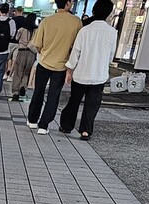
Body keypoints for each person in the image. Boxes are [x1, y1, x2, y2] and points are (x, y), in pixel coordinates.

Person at [58, 0, 117, 140]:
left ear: (94, 11)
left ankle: (67, 126)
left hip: (81, 74)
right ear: (109, 14)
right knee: (92, 104)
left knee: (74, 101)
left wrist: (69, 69)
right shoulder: (112, 32)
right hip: (99, 75)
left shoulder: (85, 30)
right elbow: (111, 55)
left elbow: (76, 52)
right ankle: (85, 131)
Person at [26, 0, 81, 134]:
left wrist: (45, 52)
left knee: (38, 92)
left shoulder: (47, 21)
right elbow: (77, 45)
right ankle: (44, 125)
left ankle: (32, 120)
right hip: (62, 65)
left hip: (44, 63)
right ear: (67, 3)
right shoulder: (76, 22)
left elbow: (37, 44)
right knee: (53, 96)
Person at [10, 13, 38, 101]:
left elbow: (16, 38)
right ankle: (23, 86)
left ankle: (15, 91)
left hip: (22, 52)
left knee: (18, 72)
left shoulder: (21, 29)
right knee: (26, 72)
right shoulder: (36, 31)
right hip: (31, 53)